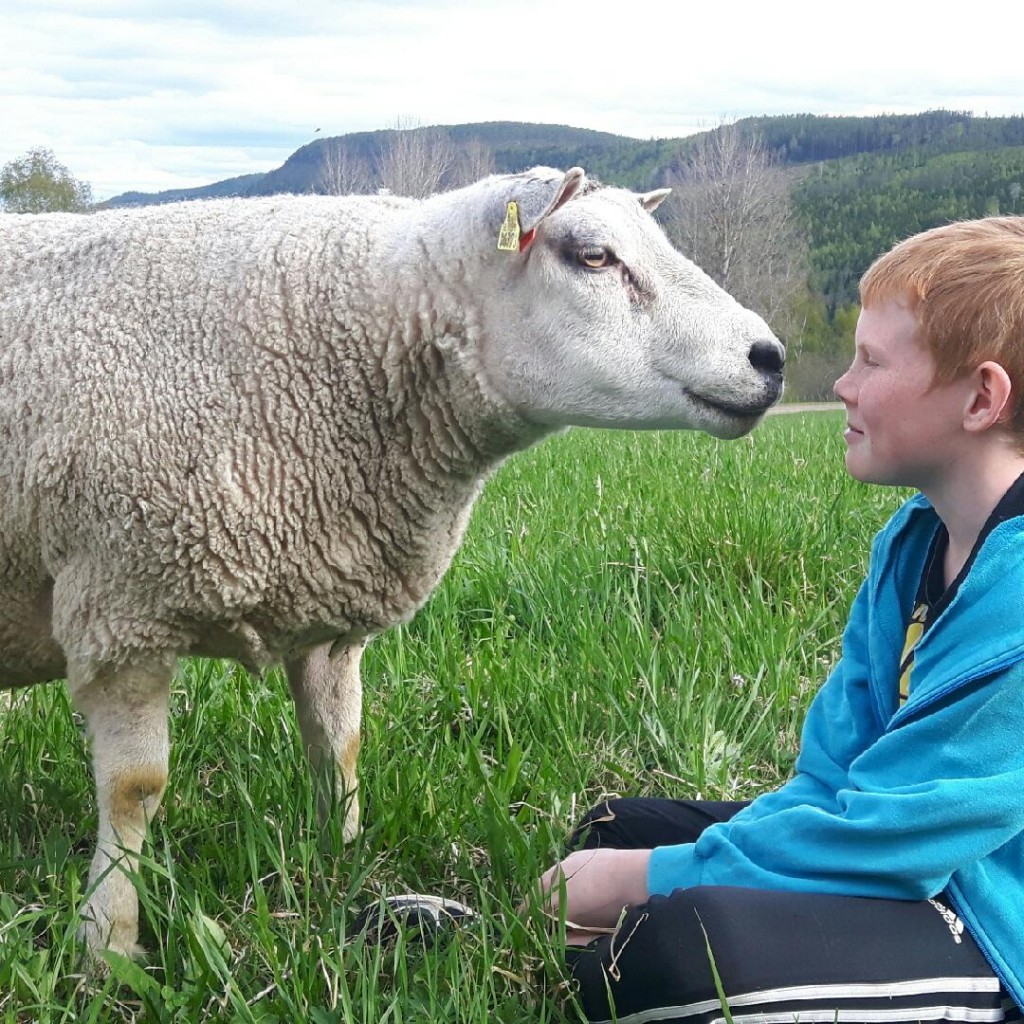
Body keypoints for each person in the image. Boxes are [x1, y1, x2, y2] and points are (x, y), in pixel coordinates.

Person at [537, 216, 1024, 1023]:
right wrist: (652, 862)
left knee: (682, 946)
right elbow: (834, 780)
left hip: (993, 914)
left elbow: (896, 836)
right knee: (610, 828)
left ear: (981, 397)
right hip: (912, 851)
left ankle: (606, 962)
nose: (842, 383)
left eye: (871, 361)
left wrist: (652, 881)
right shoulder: (914, 544)